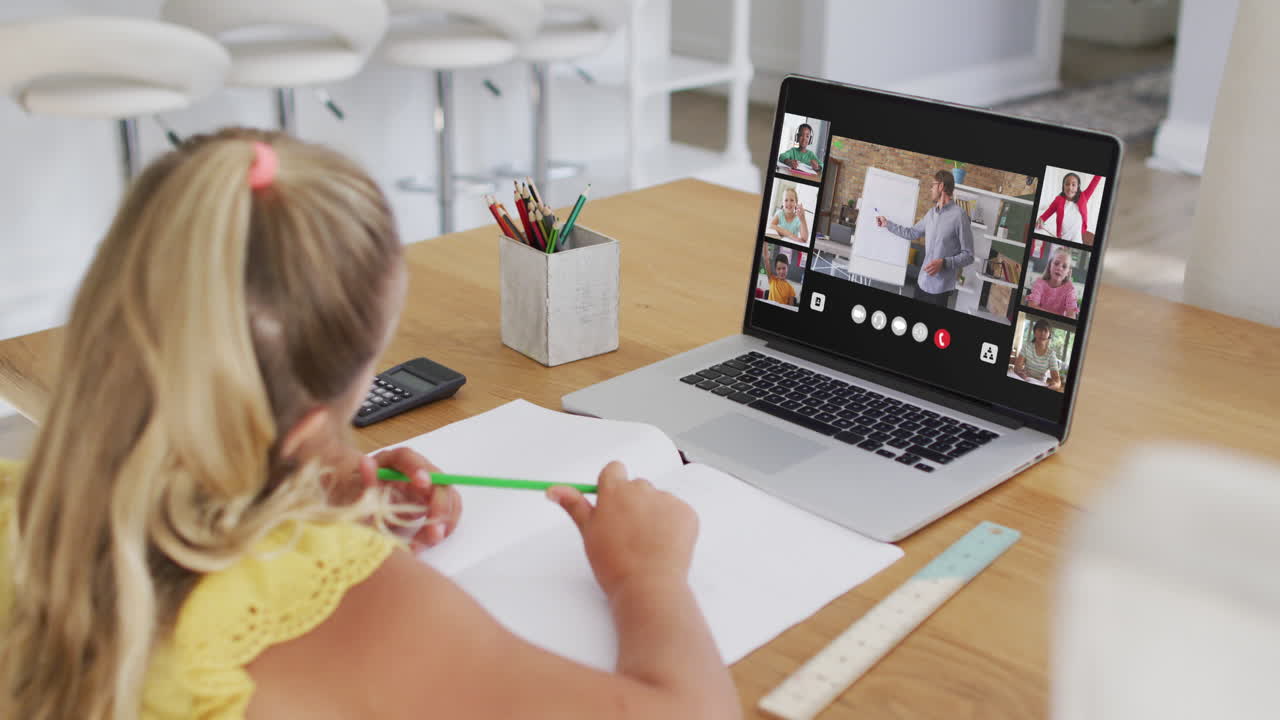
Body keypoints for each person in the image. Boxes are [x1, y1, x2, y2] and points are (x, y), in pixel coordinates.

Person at [0, 129, 740, 720]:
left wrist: (293, 504)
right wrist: (646, 575)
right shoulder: (348, 611)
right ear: (305, 427)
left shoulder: (17, 508)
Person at [876, 170, 974, 308]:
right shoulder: (931, 214)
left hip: (940, 290)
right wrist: (888, 224)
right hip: (922, 283)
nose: (931, 189)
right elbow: (912, 233)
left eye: (933, 185)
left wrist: (944, 263)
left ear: (941, 186)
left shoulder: (960, 216)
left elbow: (969, 255)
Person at [1037, 172, 1102, 245]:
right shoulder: (1058, 200)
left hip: (1077, 238)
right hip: (1063, 237)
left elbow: (1094, 182)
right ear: (1063, 186)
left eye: (1073, 185)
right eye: (1067, 184)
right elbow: (1048, 212)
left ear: (1078, 187)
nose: (1070, 187)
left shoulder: (1083, 197)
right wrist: (1041, 219)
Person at [1025, 245, 1080, 319]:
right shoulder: (1040, 283)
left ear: (1068, 272)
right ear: (1050, 265)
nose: (1059, 268)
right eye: (1056, 263)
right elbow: (1032, 307)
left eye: (1064, 266)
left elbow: (1071, 316)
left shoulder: (1070, 289)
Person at [1013, 318, 1064, 391]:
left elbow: (1057, 381)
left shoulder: (1051, 354)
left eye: (1045, 331)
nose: (1042, 333)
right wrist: (1019, 372)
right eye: (1040, 330)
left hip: (1040, 385)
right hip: (1024, 380)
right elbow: (1017, 367)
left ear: (1049, 334)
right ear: (1034, 332)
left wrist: (1054, 385)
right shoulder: (1027, 346)